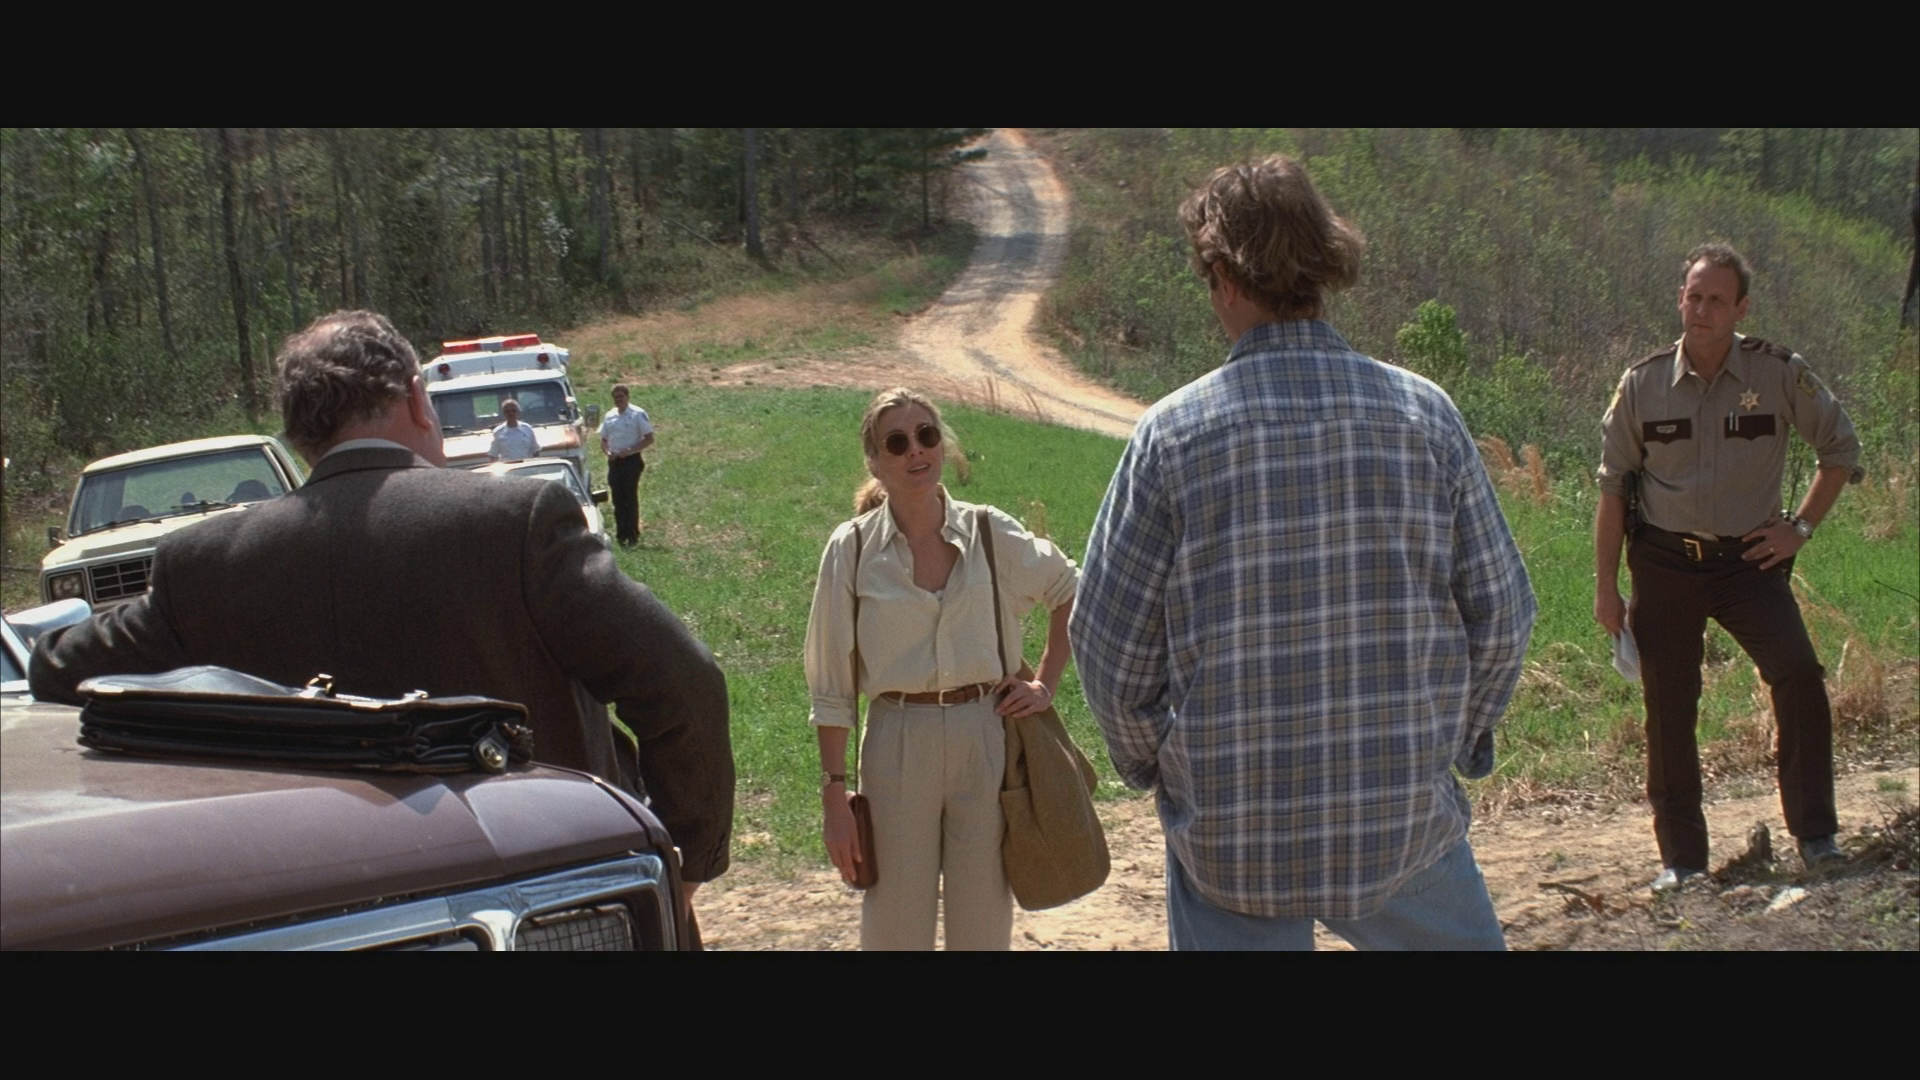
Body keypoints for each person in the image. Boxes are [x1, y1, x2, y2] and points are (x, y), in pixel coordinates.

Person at [31, 311, 736, 900]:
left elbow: (58, 671)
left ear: (299, 435)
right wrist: (682, 861)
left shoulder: (206, 566)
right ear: (418, 398)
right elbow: (683, 682)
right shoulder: (514, 521)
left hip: (319, 916)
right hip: (548, 898)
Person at [1070, 157, 1536, 951]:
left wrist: (1165, 765)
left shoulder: (1172, 437)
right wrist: (1447, 744)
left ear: (1223, 277)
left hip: (1234, 833)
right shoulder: (1425, 417)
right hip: (1400, 819)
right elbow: (1503, 615)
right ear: (1323, 262)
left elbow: (1108, 648)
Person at [1594, 243, 1863, 891]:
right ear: (1679, 300)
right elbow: (1612, 489)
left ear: (1741, 308)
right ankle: (1682, 862)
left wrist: (1799, 529)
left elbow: (1840, 450)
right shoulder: (1643, 383)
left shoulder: (1777, 372)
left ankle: (1816, 837)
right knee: (1670, 706)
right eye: (1693, 296)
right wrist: (1607, 588)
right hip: (1665, 561)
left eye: (1717, 299)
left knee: (1798, 673)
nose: (1702, 310)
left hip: (1749, 562)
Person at [803, 387, 1079, 950]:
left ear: (941, 445)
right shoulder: (851, 550)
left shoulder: (989, 532)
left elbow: (1070, 589)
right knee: (895, 924)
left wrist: (1044, 685)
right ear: (874, 461)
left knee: (983, 922)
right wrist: (834, 795)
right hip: (898, 740)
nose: (916, 450)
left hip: (985, 733)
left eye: (926, 435)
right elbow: (831, 686)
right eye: (896, 442)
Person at [598, 384, 654, 546]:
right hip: (614, 462)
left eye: (621, 396)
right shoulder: (610, 416)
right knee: (617, 498)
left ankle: (633, 534)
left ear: (627, 397)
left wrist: (630, 451)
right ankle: (621, 534)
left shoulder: (637, 414)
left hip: (631, 461)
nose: (619, 400)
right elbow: (603, 440)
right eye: (616, 397)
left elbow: (649, 438)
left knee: (629, 497)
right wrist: (607, 452)